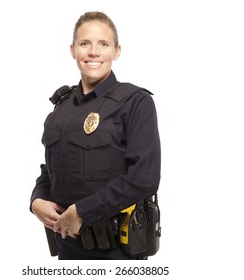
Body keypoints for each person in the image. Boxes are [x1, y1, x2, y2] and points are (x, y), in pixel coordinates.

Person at [30, 11, 161, 260]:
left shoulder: (135, 102)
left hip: (116, 252)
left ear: (117, 51)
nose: (93, 52)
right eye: (84, 43)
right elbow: (51, 169)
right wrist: (37, 200)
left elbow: (145, 178)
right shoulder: (62, 108)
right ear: (73, 50)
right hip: (67, 248)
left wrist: (82, 211)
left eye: (103, 44)